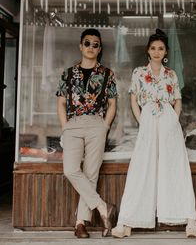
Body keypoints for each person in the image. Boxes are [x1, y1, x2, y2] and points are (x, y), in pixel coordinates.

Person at [112, 28, 196, 238]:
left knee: (176, 165)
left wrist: (173, 120)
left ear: (166, 51)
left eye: (160, 48)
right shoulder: (139, 73)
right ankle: (127, 220)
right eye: (153, 48)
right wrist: (142, 120)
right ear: (148, 51)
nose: (157, 51)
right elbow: (133, 99)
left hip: (168, 119)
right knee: (142, 167)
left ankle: (190, 219)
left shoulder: (171, 74)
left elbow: (177, 100)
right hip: (148, 118)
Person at [56, 28, 117, 238]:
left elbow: (112, 104)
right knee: (71, 170)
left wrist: (105, 126)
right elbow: (61, 103)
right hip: (73, 125)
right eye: (88, 43)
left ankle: (80, 223)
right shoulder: (68, 73)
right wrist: (65, 127)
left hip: (96, 125)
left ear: (100, 49)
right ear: (80, 46)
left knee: (91, 173)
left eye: (96, 44)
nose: (91, 47)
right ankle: (102, 206)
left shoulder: (107, 74)